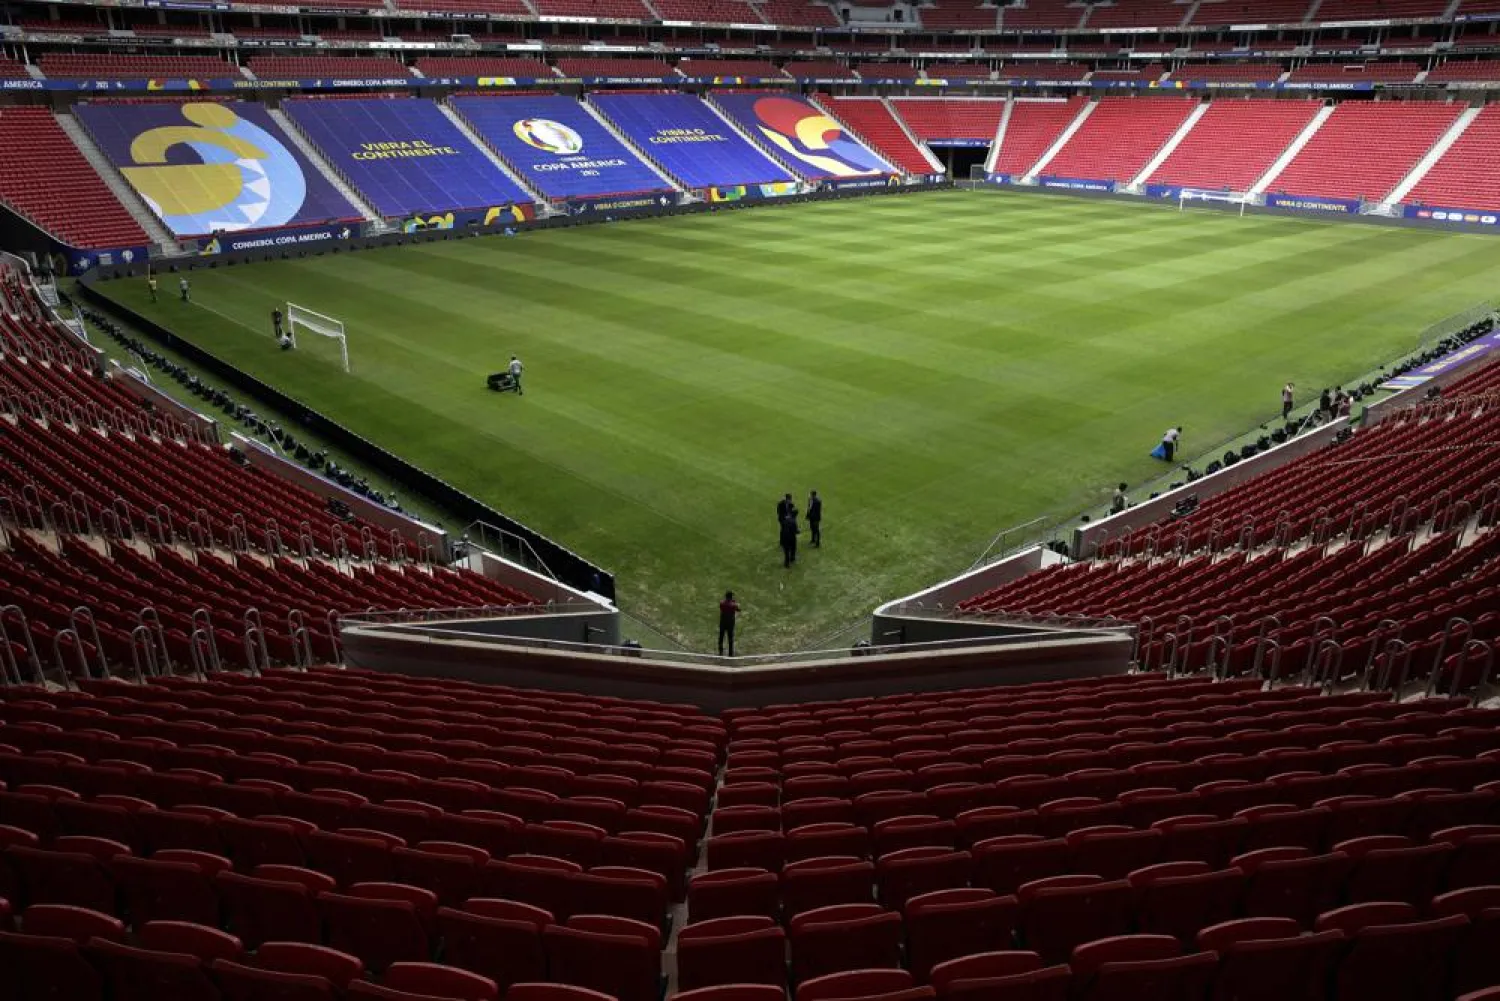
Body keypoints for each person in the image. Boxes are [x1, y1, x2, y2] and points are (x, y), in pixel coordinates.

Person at [718, 590, 740, 656]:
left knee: (721, 637)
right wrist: (735, 602)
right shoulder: (733, 605)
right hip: (730, 624)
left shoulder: (722, 603)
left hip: (722, 623)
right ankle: (730, 653)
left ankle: (720, 651)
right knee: (730, 638)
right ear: (731, 597)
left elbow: (722, 605)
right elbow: (738, 609)